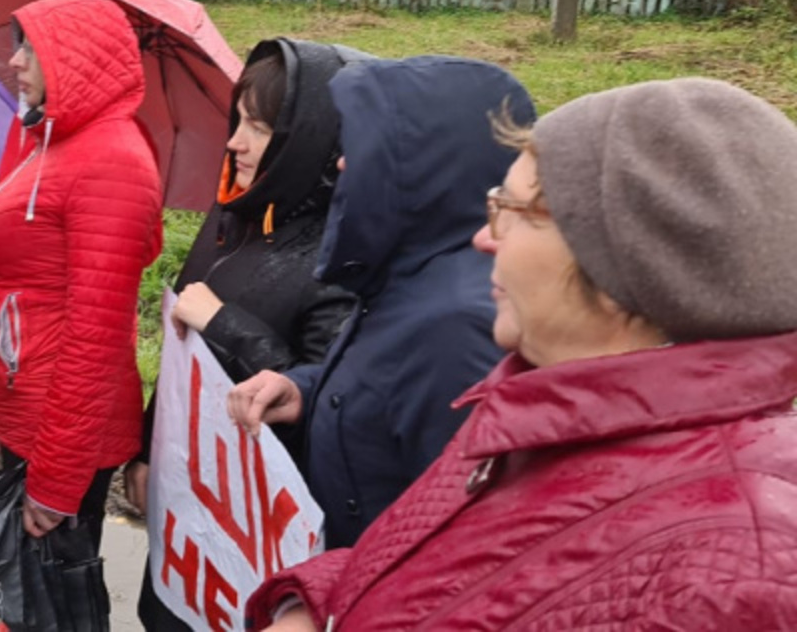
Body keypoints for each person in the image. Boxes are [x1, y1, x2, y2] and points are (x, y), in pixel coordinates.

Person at [246, 77, 797, 631]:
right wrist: (313, 607)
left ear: (620, 264)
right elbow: (436, 573)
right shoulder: (532, 405)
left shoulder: (736, 578)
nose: (486, 239)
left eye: (513, 210)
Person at [228, 56, 533, 549]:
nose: (344, 162)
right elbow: (387, 386)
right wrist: (305, 388)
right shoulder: (411, 269)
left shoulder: (459, 323)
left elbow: (459, 536)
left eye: (363, 145)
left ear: (426, 164)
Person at [128, 39, 360, 631]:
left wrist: (224, 323)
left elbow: (321, 399)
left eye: (257, 128)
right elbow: (184, 357)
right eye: (238, 121)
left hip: (257, 531)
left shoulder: (342, 257)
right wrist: (146, 450)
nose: (235, 142)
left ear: (308, 137)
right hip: (185, 500)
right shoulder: (232, 211)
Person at [0, 0, 164, 619]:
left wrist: (57, 482)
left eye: (30, 47)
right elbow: (16, 280)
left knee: (59, 605)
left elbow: (96, 340)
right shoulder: (56, 142)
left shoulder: (113, 162)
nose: (15, 61)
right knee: (25, 599)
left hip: (65, 429)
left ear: (70, 57)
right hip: (31, 406)